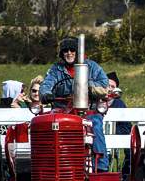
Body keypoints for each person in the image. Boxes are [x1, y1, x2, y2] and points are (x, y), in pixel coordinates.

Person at [40, 37, 110, 171]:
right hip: (63, 111)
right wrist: (46, 93)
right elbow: (46, 84)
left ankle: (101, 167)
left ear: (78, 52)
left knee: (95, 124)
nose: (69, 53)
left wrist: (86, 85)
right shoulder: (56, 69)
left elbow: (104, 83)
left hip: (87, 110)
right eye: (65, 51)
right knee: (51, 128)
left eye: (72, 50)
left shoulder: (92, 67)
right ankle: (50, 166)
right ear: (62, 54)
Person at [106, 71, 132, 179]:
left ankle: (127, 172)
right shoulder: (93, 101)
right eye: (107, 85)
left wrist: (115, 132)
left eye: (112, 86)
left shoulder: (119, 104)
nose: (110, 88)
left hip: (115, 134)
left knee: (130, 148)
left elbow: (126, 126)